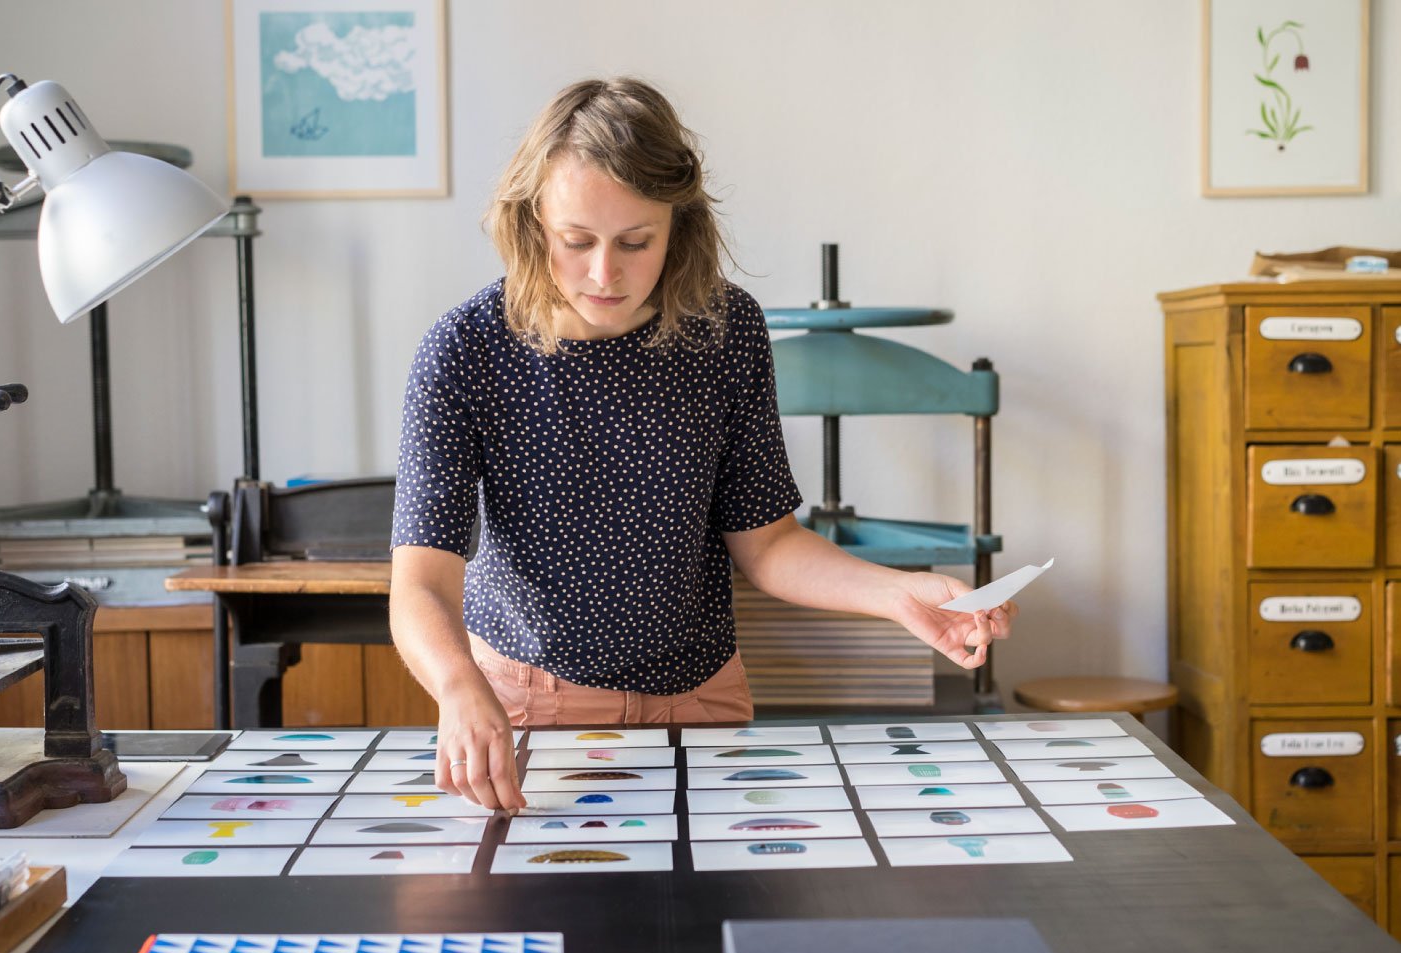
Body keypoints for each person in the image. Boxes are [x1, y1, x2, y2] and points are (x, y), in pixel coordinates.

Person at [389, 77, 1016, 814]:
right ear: (532, 224)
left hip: (705, 700)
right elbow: (421, 584)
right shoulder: (464, 351)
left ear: (678, 227)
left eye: (635, 241)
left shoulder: (725, 330)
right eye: (576, 241)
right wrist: (460, 688)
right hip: (529, 707)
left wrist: (899, 594)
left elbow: (769, 545)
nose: (603, 273)